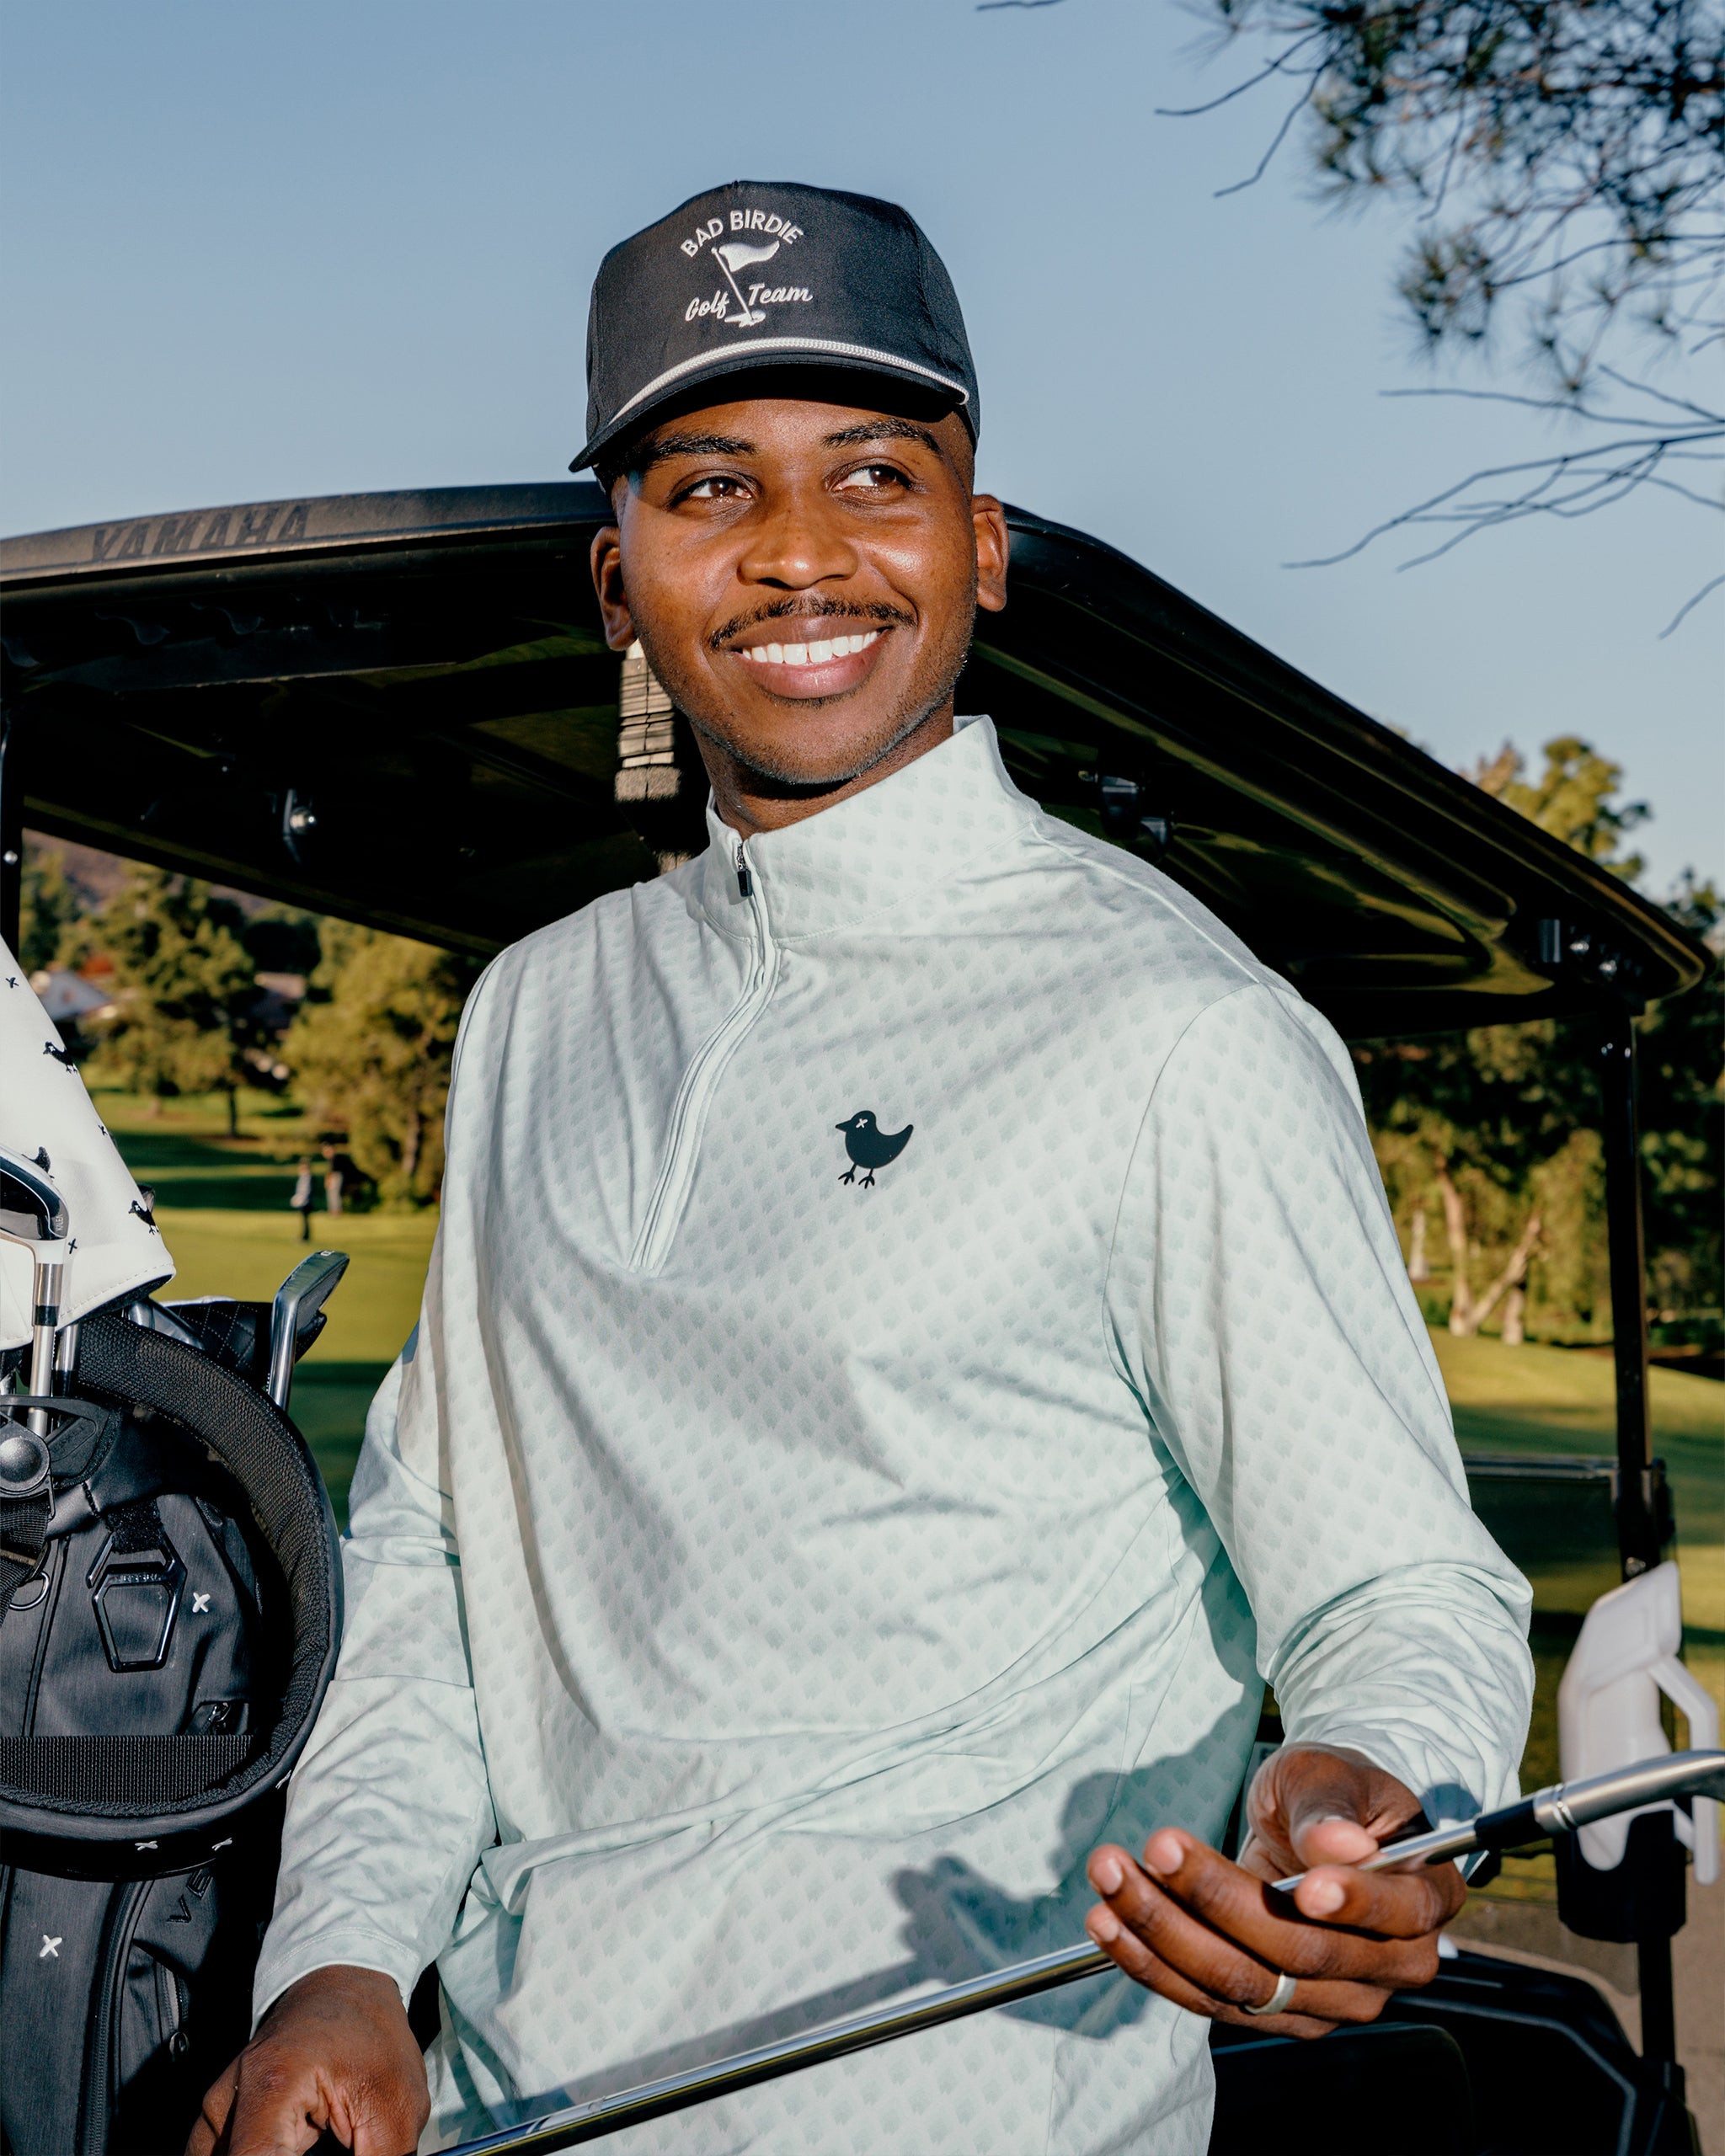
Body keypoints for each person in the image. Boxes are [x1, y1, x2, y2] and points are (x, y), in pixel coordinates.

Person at [191, 182, 1532, 2156]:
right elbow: (436, 1552)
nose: (799, 551)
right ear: (618, 577)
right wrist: (340, 1956)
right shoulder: (536, 1009)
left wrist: (1373, 1792)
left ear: (978, 544)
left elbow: (1398, 1583)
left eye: (874, 475)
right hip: (506, 2110)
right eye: (710, 487)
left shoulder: (1176, 1026)